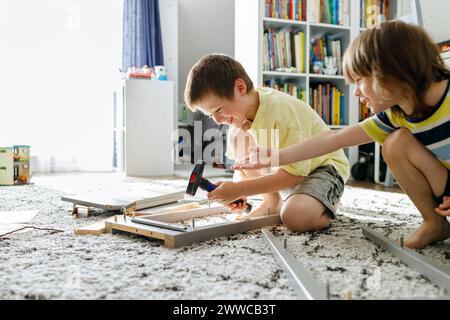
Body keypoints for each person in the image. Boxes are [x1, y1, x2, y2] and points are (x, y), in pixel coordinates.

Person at [234, 21, 450, 249]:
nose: (355, 91)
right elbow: (335, 139)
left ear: (389, 73)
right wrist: (278, 155)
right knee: (395, 143)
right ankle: (434, 222)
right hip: (444, 187)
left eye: (359, 80)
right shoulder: (395, 115)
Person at [184, 53, 349, 233]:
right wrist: (239, 192)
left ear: (240, 88)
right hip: (293, 171)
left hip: (324, 168)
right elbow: (242, 169)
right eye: (210, 115)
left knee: (295, 218)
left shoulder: (281, 112)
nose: (216, 120)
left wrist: (240, 188)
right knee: (237, 135)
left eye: (219, 110)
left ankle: (327, 202)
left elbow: (295, 175)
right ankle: (271, 202)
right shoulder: (239, 122)